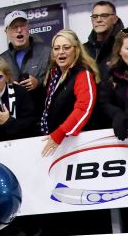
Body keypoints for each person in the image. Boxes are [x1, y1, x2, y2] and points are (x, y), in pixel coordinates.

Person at [38, 30, 104, 158]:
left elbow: (83, 109)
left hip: (80, 145)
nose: (61, 52)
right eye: (57, 48)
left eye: (66, 47)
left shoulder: (82, 75)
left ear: (76, 50)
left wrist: (60, 133)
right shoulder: (54, 76)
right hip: (61, 145)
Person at [0, 10, 52, 99]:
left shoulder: (47, 51)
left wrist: (38, 82)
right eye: (14, 27)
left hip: (42, 109)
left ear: (28, 27)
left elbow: (57, 80)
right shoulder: (1, 60)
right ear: (6, 32)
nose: (19, 30)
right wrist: (8, 87)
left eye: (22, 25)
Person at [84, 0, 124, 66]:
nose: (98, 20)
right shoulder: (84, 50)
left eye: (104, 16)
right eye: (95, 16)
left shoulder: (124, 46)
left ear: (115, 19)